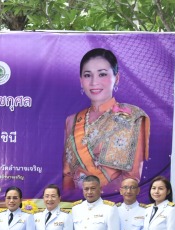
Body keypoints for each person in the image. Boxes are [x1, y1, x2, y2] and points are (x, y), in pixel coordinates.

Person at [63, 48, 150, 192]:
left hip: (114, 203)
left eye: (102, 74)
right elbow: (67, 174)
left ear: (117, 78)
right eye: (87, 75)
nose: (94, 82)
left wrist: (99, 201)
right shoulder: (71, 121)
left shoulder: (131, 117)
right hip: (76, 205)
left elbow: (131, 177)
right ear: (81, 81)